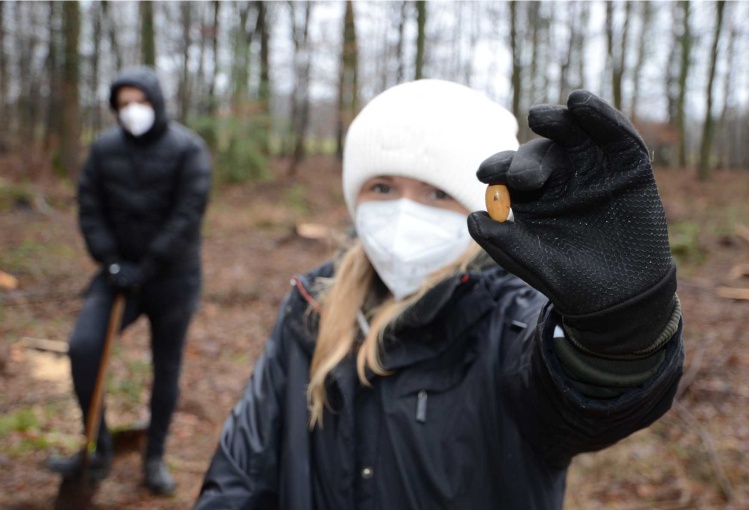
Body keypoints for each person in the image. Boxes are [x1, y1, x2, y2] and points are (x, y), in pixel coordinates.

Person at [193, 79, 683, 509]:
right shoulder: (311, 306)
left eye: (436, 194)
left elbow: (578, 401)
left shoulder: (510, 316)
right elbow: (242, 473)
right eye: (383, 187)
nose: (405, 212)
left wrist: (620, 328)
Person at [46, 66, 212, 496]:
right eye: (123, 104)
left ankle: (154, 456)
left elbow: (188, 213)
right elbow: (90, 207)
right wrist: (112, 262)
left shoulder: (188, 149)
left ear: (156, 102)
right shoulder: (102, 150)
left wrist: (151, 263)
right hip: (116, 275)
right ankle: (96, 447)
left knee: (166, 365)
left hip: (173, 278)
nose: (132, 110)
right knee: (83, 347)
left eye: (140, 101)